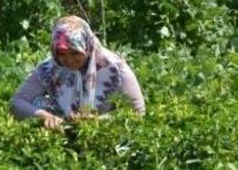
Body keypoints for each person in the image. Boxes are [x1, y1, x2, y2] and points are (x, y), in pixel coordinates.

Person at [10, 15, 145, 130]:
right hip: (61, 130)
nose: (69, 60)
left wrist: (99, 121)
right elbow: (17, 102)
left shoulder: (116, 69)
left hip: (106, 132)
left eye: (75, 53)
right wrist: (45, 116)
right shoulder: (50, 68)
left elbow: (138, 113)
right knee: (37, 102)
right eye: (62, 53)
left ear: (87, 47)